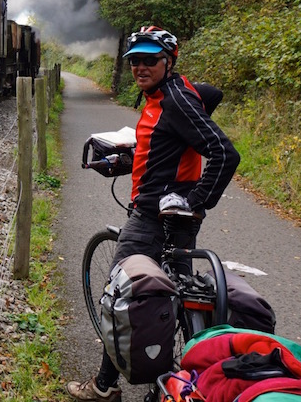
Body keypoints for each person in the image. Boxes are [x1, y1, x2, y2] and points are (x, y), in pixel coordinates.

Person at [67, 26, 241, 402]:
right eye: (135, 61)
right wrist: (125, 160)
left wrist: (194, 201)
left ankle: (103, 385)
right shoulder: (166, 95)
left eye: (150, 60)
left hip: (152, 218)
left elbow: (225, 154)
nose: (141, 68)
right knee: (176, 295)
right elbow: (172, 141)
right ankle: (190, 385)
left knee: (120, 295)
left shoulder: (175, 101)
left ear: (169, 61)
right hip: (173, 219)